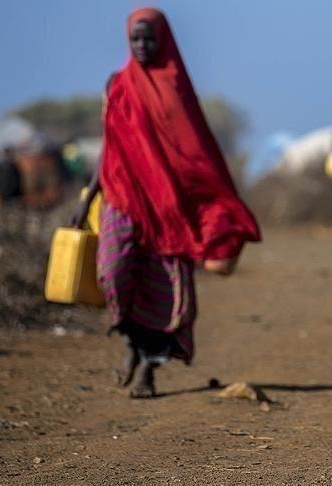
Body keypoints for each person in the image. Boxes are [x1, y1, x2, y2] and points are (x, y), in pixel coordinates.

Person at [73, 7, 260, 398]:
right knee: (114, 271)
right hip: (122, 196)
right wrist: (89, 193)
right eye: (135, 39)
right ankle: (129, 341)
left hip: (168, 206)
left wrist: (212, 201)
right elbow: (111, 143)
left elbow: (194, 149)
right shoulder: (117, 84)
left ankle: (148, 369)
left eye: (149, 38)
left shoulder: (175, 86)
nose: (142, 46)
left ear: (164, 40)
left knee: (165, 289)